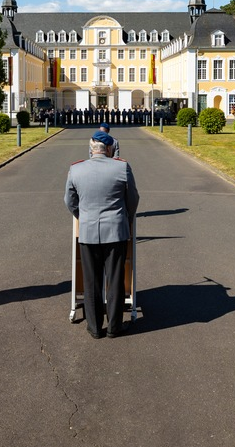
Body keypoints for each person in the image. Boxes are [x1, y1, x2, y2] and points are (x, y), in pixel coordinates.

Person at [64, 130, 139, 339]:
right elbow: (133, 199)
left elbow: (69, 201)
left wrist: (83, 216)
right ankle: (114, 327)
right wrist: (126, 218)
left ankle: (95, 327)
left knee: (91, 280)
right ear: (109, 149)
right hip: (116, 230)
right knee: (115, 279)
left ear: (91, 149)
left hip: (88, 230)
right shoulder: (121, 167)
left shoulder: (76, 169)